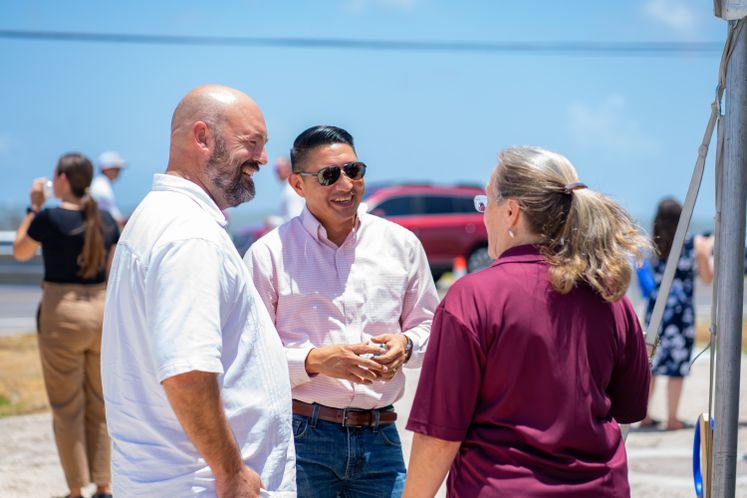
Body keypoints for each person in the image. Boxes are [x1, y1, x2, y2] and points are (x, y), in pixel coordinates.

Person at [403, 146, 652, 498]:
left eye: (484, 203)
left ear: (511, 212)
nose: (483, 216)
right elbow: (631, 406)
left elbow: (439, 435)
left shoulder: (472, 297)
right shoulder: (611, 296)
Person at [100, 85, 295, 497]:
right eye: (252, 143)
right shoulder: (189, 235)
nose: (262, 159)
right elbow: (187, 370)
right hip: (203, 486)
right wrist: (231, 473)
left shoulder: (163, 218)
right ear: (202, 137)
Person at [245, 125, 438, 498]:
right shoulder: (269, 255)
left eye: (354, 171)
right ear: (298, 186)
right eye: (329, 175)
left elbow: (431, 328)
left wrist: (407, 345)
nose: (346, 184)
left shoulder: (401, 244)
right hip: (302, 438)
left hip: (381, 437)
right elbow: (248, 359)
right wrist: (315, 361)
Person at [13, 153, 119, 498]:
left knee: (66, 405)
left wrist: (32, 208)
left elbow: (20, 251)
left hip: (63, 314)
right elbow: (114, 269)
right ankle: (104, 484)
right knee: (100, 403)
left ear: (61, 180)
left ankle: (76, 489)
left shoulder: (49, 218)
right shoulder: (104, 218)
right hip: (101, 310)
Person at [639, 198, 714, 430]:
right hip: (681, 313)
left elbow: (643, 273)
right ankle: (672, 418)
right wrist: (708, 249)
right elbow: (707, 277)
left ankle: (644, 415)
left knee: (651, 362)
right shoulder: (693, 244)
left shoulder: (651, 245)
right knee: (676, 366)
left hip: (657, 308)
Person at [265, 155, 305, 227]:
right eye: (275, 169)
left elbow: (294, 219)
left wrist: (272, 221)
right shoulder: (290, 188)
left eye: (278, 169)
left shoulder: (291, 190)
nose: (276, 172)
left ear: (288, 168)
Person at [90, 151, 127, 227]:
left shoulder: (99, 184)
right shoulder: (102, 187)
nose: (118, 172)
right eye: (116, 169)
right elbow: (114, 218)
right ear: (106, 169)